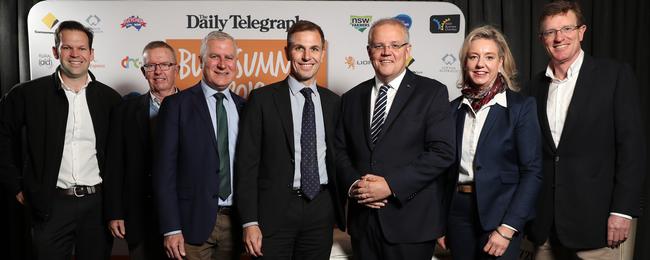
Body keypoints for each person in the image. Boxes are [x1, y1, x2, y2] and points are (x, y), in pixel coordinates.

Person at [526, 1, 646, 259]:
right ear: (541, 39)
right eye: (550, 32)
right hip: (546, 226)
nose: (559, 38)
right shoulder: (533, 87)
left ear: (582, 31)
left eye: (567, 28)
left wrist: (623, 211)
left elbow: (632, 150)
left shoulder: (614, 76)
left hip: (602, 224)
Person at [335, 18, 455, 260]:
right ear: (369, 52)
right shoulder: (351, 98)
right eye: (378, 46)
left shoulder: (432, 93)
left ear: (407, 50)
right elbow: (339, 150)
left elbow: (442, 152)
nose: (386, 52)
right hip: (363, 225)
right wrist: (356, 187)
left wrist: (391, 185)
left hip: (411, 224)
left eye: (394, 45)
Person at [0, 20, 121, 259]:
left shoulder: (110, 99)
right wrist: (15, 185)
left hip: (96, 206)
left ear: (91, 53)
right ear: (56, 51)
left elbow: (119, 157)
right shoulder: (27, 94)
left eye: (82, 48)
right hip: (50, 205)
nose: (75, 54)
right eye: (67, 48)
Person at [235, 20, 345, 260]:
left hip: (320, 210)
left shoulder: (334, 103)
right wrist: (249, 222)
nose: (307, 56)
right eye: (299, 48)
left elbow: (341, 158)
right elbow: (246, 164)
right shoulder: (262, 99)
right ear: (287, 52)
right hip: (273, 212)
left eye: (314, 49)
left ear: (322, 53)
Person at [436, 25, 542, 260]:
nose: (480, 64)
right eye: (473, 57)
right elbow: (443, 173)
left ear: (501, 62)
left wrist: (507, 229)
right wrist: (441, 223)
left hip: (501, 215)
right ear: (465, 62)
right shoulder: (453, 109)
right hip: (458, 214)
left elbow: (532, 172)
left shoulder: (520, 108)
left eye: (489, 57)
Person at [153, 31, 245, 260]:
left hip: (236, 223)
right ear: (201, 61)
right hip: (190, 223)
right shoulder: (176, 105)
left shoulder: (247, 107)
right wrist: (171, 228)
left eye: (229, 58)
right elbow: (164, 172)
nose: (222, 64)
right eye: (215, 57)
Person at [103, 41, 179, 260]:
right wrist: (115, 211)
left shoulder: (196, 107)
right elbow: (115, 165)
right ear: (143, 71)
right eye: (151, 66)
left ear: (176, 69)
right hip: (140, 217)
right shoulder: (124, 112)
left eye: (165, 64)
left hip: (184, 218)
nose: (158, 71)